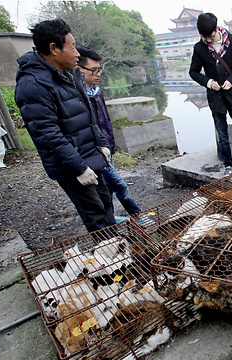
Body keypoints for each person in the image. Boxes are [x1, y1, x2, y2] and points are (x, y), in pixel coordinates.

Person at [15, 19, 115, 233]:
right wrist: (79, 168)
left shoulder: (68, 75)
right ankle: (111, 260)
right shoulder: (33, 84)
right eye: (72, 47)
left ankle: (118, 249)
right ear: (54, 49)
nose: (77, 53)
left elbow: (87, 115)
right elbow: (47, 134)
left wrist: (102, 144)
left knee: (106, 204)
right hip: (74, 165)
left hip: (91, 154)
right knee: (96, 216)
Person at [76, 45, 142, 217]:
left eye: (99, 70)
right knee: (119, 185)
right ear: (79, 69)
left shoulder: (96, 91)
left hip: (105, 147)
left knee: (108, 188)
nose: (98, 75)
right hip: (93, 151)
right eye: (93, 71)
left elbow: (103, 122)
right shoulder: (77, 95)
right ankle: (137, 216)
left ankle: (112, 219)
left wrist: (108, 144)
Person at [189, 12, 232, 176]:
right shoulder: (199, 48)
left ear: (216, 29)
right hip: (215, 98)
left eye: (210, 36)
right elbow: (193, 72)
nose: (208, 40)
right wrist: (209, 82)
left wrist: (231, 79)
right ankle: (228, 166)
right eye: (204, 37)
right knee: (222, 136)